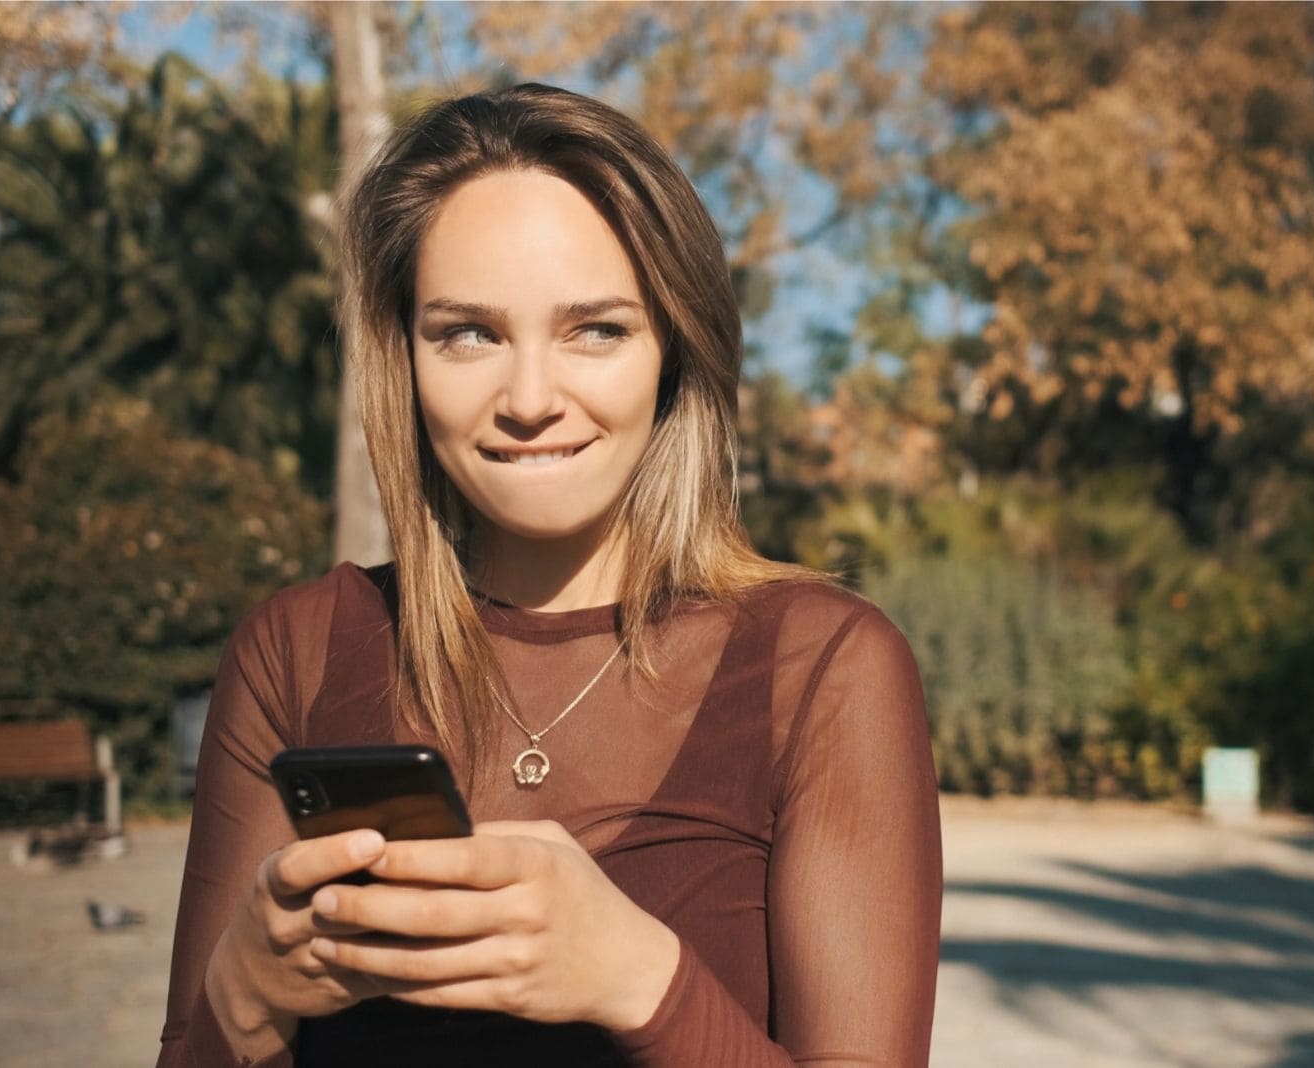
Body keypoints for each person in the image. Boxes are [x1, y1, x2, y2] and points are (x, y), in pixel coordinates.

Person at [157, 83, 941, 1068]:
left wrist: (641, 982)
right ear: (403, 356)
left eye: (596, 329)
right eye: (468, 333)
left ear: (672, 349)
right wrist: (243, 994)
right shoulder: (298, 648)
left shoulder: (821, 665)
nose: (528, 398)